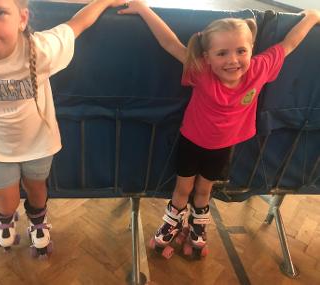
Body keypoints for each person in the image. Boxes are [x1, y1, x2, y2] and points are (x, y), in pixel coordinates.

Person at [119, 1, 320, 258]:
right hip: (191, 142)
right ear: (207, 58)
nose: (233, 60)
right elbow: (170, 44)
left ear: (251, 50)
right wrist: (143, 9)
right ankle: (173, 220)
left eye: (241, 51)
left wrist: (311, 17)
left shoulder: (258, 69)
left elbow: (288, 45)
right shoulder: (202, 72)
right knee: (182, 190)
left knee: (204, 192)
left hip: (222, 148)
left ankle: (198, 225)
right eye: (222, 53)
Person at [0, 0, 125, 258]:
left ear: (22, 19)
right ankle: (5, 219)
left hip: (38, 144)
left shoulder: (40, 50)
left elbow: (76, 25)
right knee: (6, 201)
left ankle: (38, 220)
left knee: (37, 189)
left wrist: (104, 1)